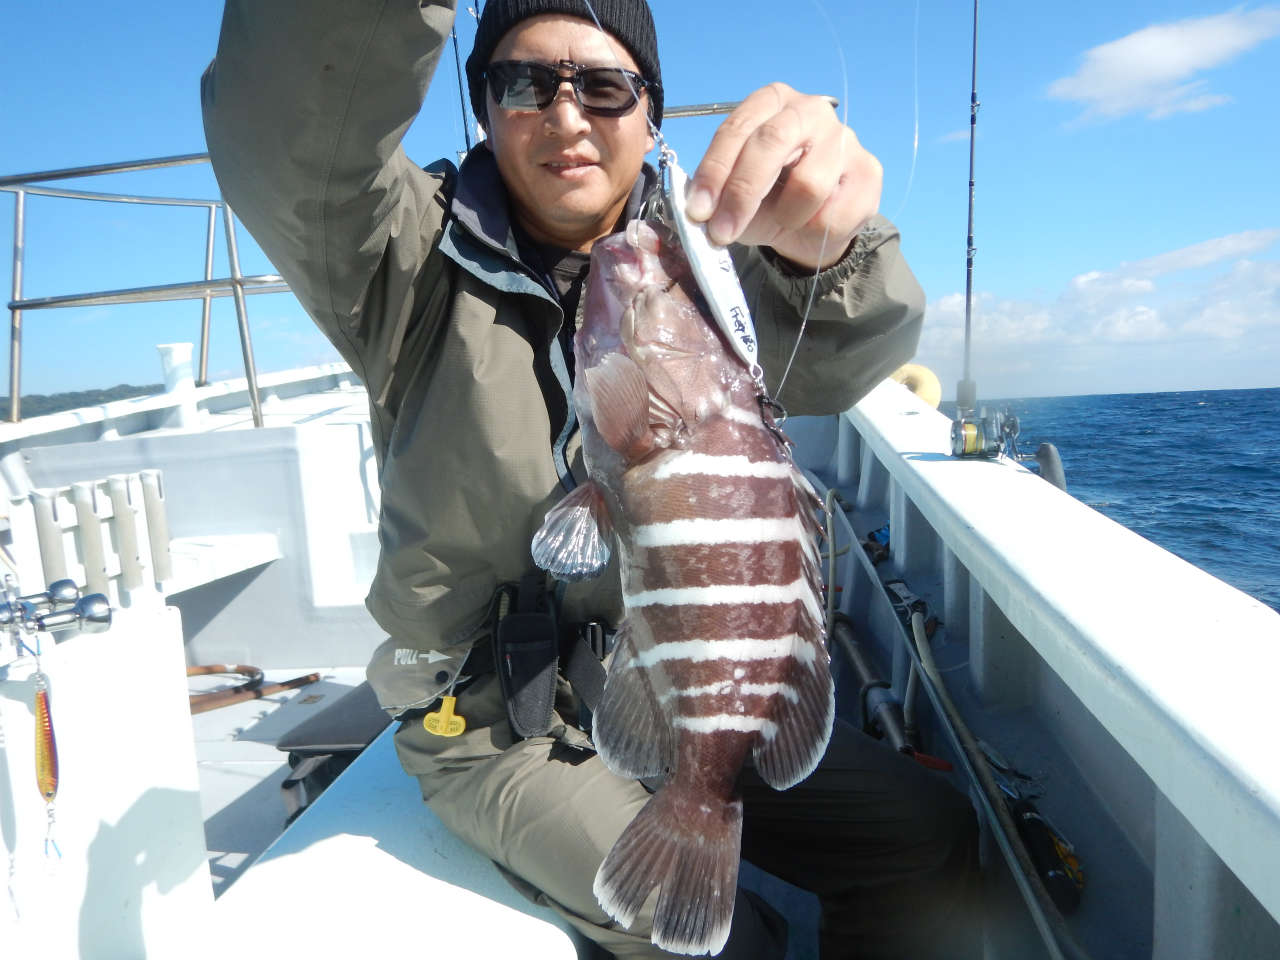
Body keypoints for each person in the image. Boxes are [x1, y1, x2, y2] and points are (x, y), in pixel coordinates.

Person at [202, 1, 981, 957]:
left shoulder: (706, 260)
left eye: (604, 86)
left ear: (651, 113)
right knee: (726, 946)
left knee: (928, 837)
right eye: (525, 83)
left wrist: (833, 247)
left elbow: (837, 354)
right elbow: (282, 127)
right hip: (500, 722)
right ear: (484, 108)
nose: (566, 115)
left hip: (693, 686)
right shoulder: (399, 257)